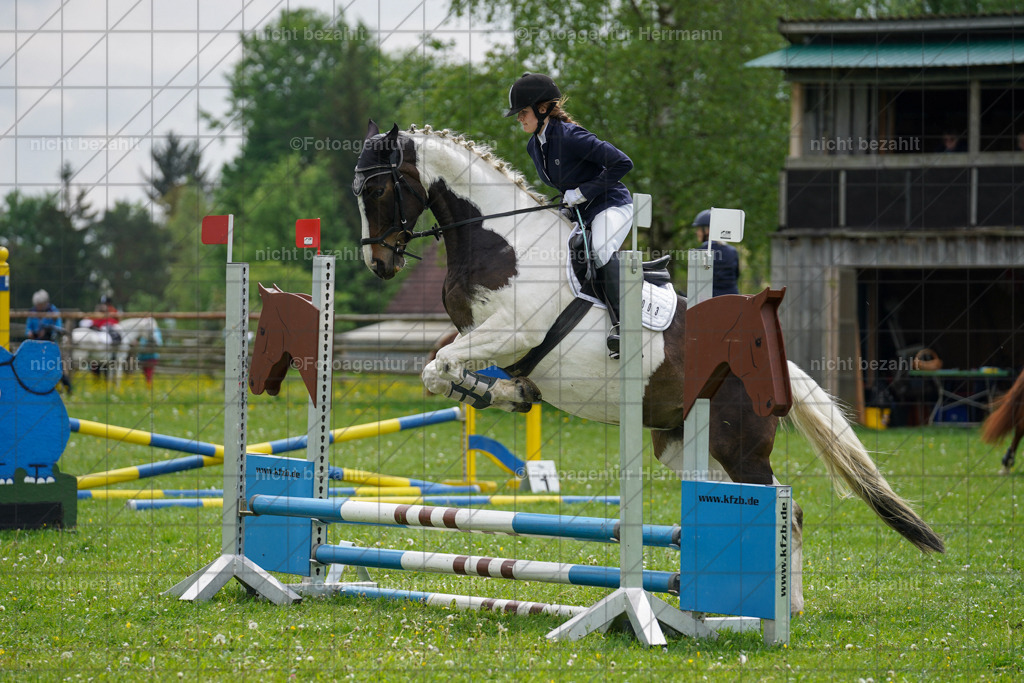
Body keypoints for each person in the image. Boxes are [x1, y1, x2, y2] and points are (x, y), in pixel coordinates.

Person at [504, 72, 634, 358]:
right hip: (580, 213)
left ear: (542, 109)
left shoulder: (571, 136)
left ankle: (627, 327)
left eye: (522, 113)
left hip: (611, 205)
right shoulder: (534, 146)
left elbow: (622, 163)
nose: (519, 119)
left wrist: (584, 191)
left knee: (600, 250)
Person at [25, 289, 72, 393]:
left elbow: (59, 328)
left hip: (51, 344)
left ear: (45, 303)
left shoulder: (53, 312)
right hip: (36, 344)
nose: (38, 307)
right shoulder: (32, 312)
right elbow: (28, 329)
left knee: (56, 368)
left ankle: (68, 390)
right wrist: (30, 333)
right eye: (37, 304)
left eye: (40, 304)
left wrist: (48, 330)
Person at [692, 209, 740, 297]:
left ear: (708, 230)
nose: (697, 232)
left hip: (710, 301)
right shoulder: (732, 251)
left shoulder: (699, 253)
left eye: (699, 229)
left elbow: (695, 282)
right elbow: (737, 275)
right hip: (734, 299)